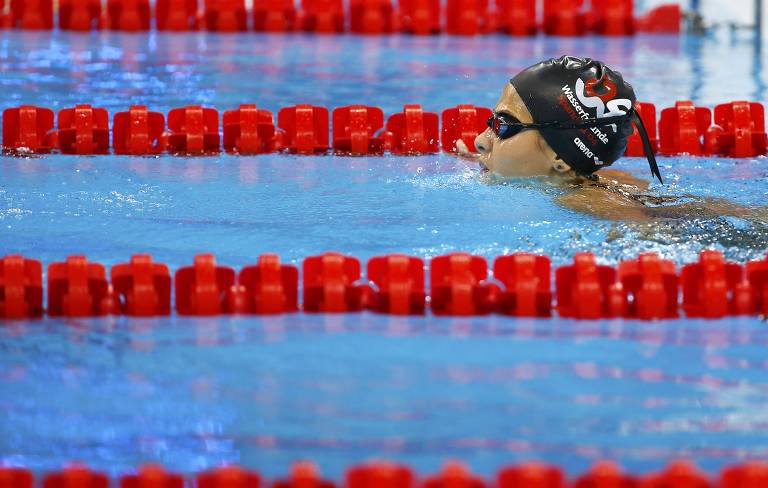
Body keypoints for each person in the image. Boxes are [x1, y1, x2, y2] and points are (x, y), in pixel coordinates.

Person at [462, 55, 766, 223]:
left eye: (503, 126)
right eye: (491, 122)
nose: (480, 140)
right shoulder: (601, 180)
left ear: (560, 157)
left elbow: (654, 236)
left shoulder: (586, 201)